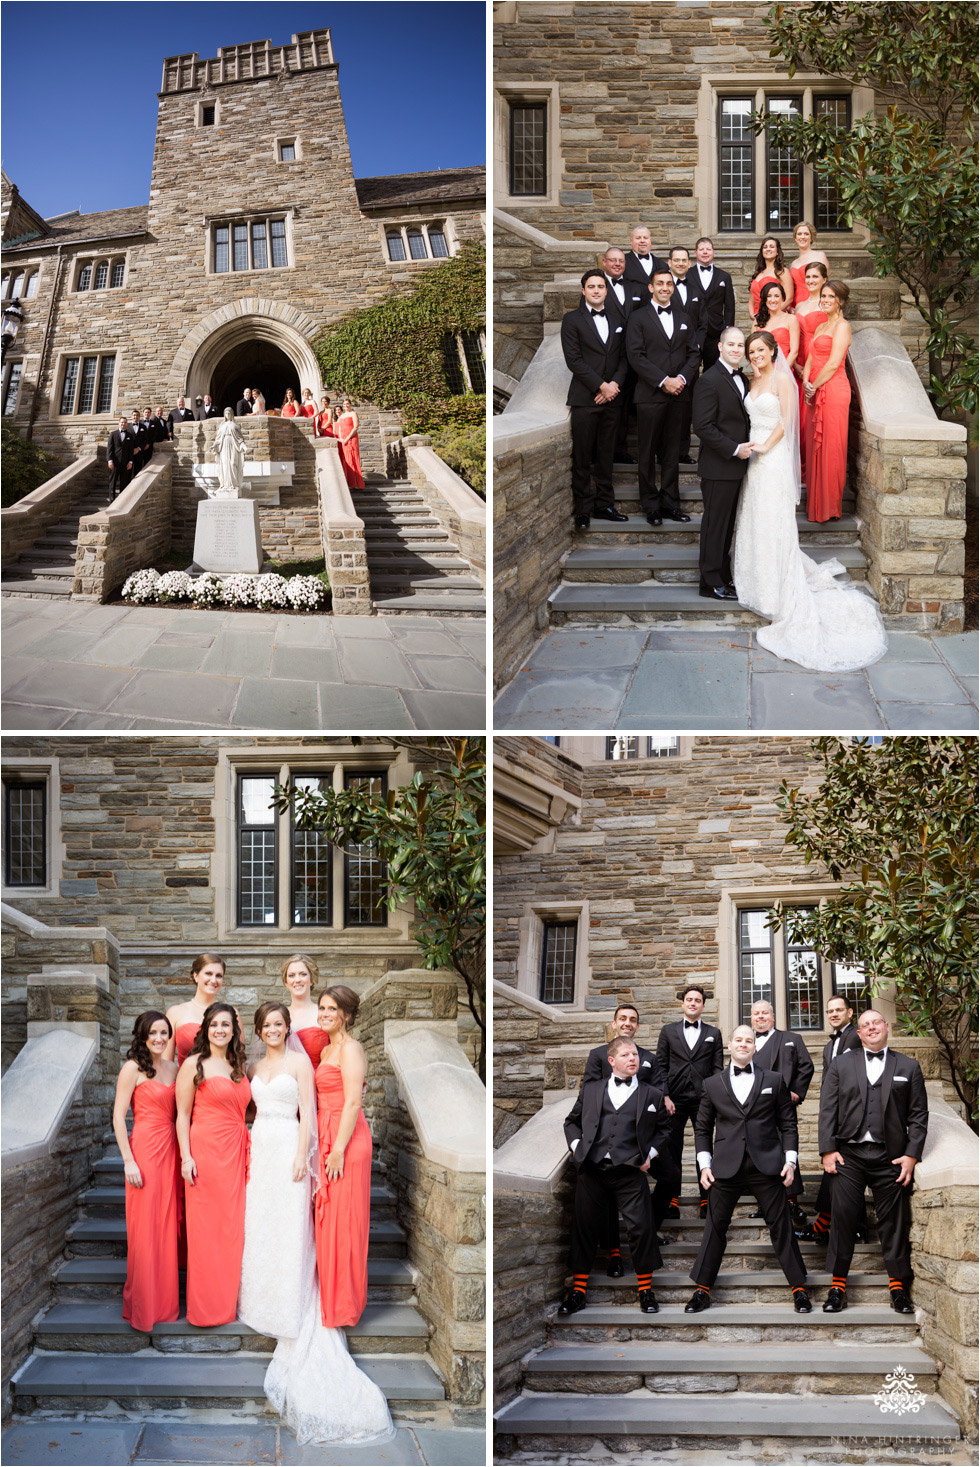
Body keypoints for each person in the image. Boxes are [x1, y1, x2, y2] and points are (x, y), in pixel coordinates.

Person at [238, 1002, 394, 1446]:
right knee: (268, 1226)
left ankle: (321, 1303)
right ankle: (270, 1293)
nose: (273, 1029)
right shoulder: (270, 1061)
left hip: (303, 1143)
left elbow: (326, 1107)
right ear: (259, 1030)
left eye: (280, 1024)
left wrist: (317, 1152)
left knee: (307, 1226)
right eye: (266, 1024)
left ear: (289, 1029)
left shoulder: (317, 1058)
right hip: (262, 1147)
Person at [732, 330, 887, 670]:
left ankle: (778, 588)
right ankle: (756, 579)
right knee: (756, 518)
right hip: (753, 460)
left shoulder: (783, 382)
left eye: (761, 350)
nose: (755, 355)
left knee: (774, 521)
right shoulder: (752, 381)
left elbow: (786, 423)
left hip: (770, 458)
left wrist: (763, 447)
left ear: (773, 351)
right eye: (751, 351)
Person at [687, 1025, 811, 1313]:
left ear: (756, 1047)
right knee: (715, 1228)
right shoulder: (712, 1083)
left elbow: (788, 1124)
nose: (744, 1044)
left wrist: (790, 1161)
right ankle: (701, 1290)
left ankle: (799, 1289)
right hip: (725, 1168)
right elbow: (703, 1128)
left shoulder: (774, 1079)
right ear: (730, 1045)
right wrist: (705, 1165)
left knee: (781, 1227)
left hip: (767, 1165)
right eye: (739, 1040)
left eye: (750, 1041)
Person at [819, 1010, 927, 1315]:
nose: (870, 1028)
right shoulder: (841, 1064)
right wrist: (827, 1150)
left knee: (893, 1221)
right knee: (842, 1217)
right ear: (859, 1033)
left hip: (889, 1156)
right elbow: (828, 1109)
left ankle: (898, 1288)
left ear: (886, 1027)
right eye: (865, 1025)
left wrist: (911, 1154)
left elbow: (918, 1116)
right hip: (849, 1155)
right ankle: (838, 1285)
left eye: (875, 1023)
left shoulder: (909, 1066)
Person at [559, 1038, 671, 1316]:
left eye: (634, 1054)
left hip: (630, 1171)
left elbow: (664, 1129)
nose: (633, 1058)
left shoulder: (652, 1095)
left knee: (642, 1228)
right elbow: (571, 1122)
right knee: (584, 1228)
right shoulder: (592, 1090)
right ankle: (578, 1292)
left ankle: (645, 1291)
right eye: (625, 1054)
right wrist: (577, 1148)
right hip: (593, 1169)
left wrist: (651, 1155)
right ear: (611, 1061)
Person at [583, 1003, 675, 1273]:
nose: (627, 1023)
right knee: (608, 1190)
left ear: (637, 1025)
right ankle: (613, 1251)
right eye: (622, 1018)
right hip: (606, 1141)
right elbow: (588, 1091)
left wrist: (666, 1097)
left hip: (641, 1140)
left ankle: (650, 1229)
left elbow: (658, 1084)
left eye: (632, 1019)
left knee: (670, 1176)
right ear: (614, 1023)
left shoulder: (647, 1056)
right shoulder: (598, 1055)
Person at [176, 1002, 251, 1327]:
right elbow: (181, 1115)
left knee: (232, 1228)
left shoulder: (238, 1066)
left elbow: (245, 1109)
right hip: (205, 1153)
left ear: (234, 1030)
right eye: (215, 1024)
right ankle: (205, 1308)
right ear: (206, 1028)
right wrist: (186, 1157)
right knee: (206, 1231)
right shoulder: (194, 1064)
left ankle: (228, 1302)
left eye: (226, 1024)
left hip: (236, 1152)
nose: (220, 1029)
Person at [112, 1011, 180, 1332]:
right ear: (142, 1035)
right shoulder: (132, 1068)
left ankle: (164, 1305)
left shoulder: (174, 1068)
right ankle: (143, 1305)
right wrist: (128, 1160)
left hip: (171, 1152)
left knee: (166, 1226)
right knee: (145, 1228)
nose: (159, 1038)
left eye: (164, 1033)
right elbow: (118, 1117)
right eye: (153, 1033)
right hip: (145, 1151)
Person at [315, 986, 373, 1327]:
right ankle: (329, 1297)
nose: (324, 1013)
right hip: (327, 1132)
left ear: (346, 1015)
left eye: (331, 1008)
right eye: (321, 1007)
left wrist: (337, 1149)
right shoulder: (325, 1052)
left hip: (346, 1141)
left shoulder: (350, 1049)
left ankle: (344, 1306)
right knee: (329, 1223)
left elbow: (353, 1102)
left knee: (344, 1224)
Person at [626, 269, 699, 526]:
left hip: (678, 394)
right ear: (651, 287)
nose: (665, 287)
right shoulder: (637, 318)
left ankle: (670, 504)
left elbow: (694, 354)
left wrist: (680, 380)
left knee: (671, 453)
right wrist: (662, 381)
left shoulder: (683, 317)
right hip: (649, 395)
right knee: (646, 454)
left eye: (669, 283)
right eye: (660, 283)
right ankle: (651, 506)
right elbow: (636, 356)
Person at [560, 271, 629, 530]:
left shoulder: (618, 318)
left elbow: (624, 357)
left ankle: (605, 505)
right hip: (584, 398)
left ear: (606, 291)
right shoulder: (571, 320)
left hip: (613, 398)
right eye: (592, 287)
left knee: (606, 455)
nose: (597, 290)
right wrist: (600, 385)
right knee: (582, 456)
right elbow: (573, 360)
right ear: (583, 291)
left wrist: (613, 386)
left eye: (601, 286)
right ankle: (583, 510)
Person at [691, 326, 752, 601]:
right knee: (715, 525)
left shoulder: (744, 379)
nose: (736, 350)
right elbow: (703, 426)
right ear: (720, 347)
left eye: (740, 346)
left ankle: (723, 576)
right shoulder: (709, 380)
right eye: (732, 345)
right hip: (718, 465)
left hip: (737, 466)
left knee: (726, 525)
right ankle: (709, 581)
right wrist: (734, 449)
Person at [656, 984, 724, 1217]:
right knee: (672, 1148)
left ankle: (706, 1200)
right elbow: (661, 1066)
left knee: (703, 1146)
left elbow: (717, 1069)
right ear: (683, 1003)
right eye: (689, 999)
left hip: (703, 1098)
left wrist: (715, 1098)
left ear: (703, 1005)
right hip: (673, 1099)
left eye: (697, 1000)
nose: (693, 1003)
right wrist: (664, 1095)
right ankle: (672, 1200)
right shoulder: (668, 1031)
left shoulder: (713, 1034)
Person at [748, 999, 814, 1229]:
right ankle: (764, 1204)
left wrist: (796, 1090)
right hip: (755, 1112)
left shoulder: (791, 1039)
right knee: (760, 1156)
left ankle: (792, 1202)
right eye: (756, 1014)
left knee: (787, 1152)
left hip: (782, 1107)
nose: (760, 1017)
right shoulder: (748, 1044)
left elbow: (806, 1066)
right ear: (751, 1018)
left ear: (773, 1017)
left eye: (765, 1013)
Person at [809, 994, 866, 1246]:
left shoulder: (856, 1036)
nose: (833, 1014)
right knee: (837, 1171)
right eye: (829, 1011)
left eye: (838, 1010)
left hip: (853, 1117)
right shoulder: (828, 1046)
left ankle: (846, 1227)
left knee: (847, 1173)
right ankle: (826, 1224)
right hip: (836, 1117)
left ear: (850, 1013)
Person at [803, 279, 852, 522]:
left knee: (831, 447)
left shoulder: (842, 326)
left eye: (831, 296)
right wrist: (805, 381)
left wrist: (815, 385)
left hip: (833, 390)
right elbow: (812, 357)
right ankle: (815, 505)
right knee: (815, 448)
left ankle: (830, 507)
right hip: (815, 388)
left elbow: (833, 363)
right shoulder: (821, 326)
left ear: (841, 301)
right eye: (824, 295)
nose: (825, 300)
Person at [667, 245, 703, 463]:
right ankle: (661, 451)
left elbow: (703, 323)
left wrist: (695, 347)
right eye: (676, 260)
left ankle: (682, 452)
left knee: (684, 409)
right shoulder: (660, 288)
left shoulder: (696, 290)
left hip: (688, 360)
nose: (680, 263)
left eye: (684, 260)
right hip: (664, 358)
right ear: (669, 263)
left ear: (689, 264)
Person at [600, 247, 636, 464]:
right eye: (612, 260)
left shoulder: (633, 287)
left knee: (625, 406)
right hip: (608, 356)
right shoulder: (596, 286)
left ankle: (621, 450)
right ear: (604, 262)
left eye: (621, 261)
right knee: (609, 407)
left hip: (632, 355)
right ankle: (604, 453)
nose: (617, 264)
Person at [793, 261, 829, 472]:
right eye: (808, 277)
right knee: (799, 419)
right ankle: (800, 465)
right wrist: (797, 365)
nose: (811, 281)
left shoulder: (827, 305)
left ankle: (814, 468)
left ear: (824, 279)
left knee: (814, 418)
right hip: (799, 365)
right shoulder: (799, 307)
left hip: (818, 363)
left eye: (815, 277)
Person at [164, 952, 226, 1066]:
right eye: (208, 973)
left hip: (222, 1082)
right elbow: (165, 1064)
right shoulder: (175, 1013)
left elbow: (239, 1064)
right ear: (196, 976)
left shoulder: (230, 1014)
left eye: (219, 975)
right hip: (187, 1081)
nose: (213, 980)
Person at [685, 237, 735, 369]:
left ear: (713, 252)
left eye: (708, 249)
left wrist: (727, 330)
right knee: (690, 369)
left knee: (713, 370)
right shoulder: (687, 275)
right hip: (692, 332)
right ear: (695, 253)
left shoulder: (724, 277)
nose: (705, 252)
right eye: (701, 249)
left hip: (716, 333)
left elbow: (729, 306)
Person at [281, 953, 329, 1067]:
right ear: (286, 982)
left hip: (317, 1080)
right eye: (291, 975)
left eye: (303, 974)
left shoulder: (324, 1013)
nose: (297, 980)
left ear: (312, 980)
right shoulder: (280, 1016)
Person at [621, 225, 668, 312]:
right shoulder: (622, 263)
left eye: (645, 238)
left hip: (658, 316)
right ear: (631, 241)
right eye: (638, 238)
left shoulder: (662, 265)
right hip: (631, 315)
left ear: (650, 240)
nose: (642, 241)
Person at [748, 236, 793, 324]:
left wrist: (772, 314)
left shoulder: (782, 272)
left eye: (771, 246)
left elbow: (789, 298)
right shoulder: (758, 274)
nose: (768, 249)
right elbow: (752, 299)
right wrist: (752, 314)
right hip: (758, 319)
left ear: (777, 252)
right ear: (762, 251)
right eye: (765, 247)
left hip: (775, 318)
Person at [789, 221, 830, 308]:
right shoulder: (794, 263)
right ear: (795, 238)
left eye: (806, 234)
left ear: (811, 237)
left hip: (814, 304)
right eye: (799, 234)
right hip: (795, 306)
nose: (802, 237)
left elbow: (825, 284)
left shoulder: (819, 256)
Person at [214, 407, 247, 495]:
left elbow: (240, 437)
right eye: (226, 413)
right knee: (224, 464)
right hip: (224, 445)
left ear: (231, 414)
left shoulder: (235, 425)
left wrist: (243, 444)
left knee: (233, 463)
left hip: (233, 445)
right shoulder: (222, 426)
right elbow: (218, 438)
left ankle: (234, 484)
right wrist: (214, 445)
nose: (227, 415)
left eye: (229, 413)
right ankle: (225, 485)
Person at [336, 398, 365, 489]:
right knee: (347, 460)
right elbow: (339, 428)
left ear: (350, 404)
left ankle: (356, 483)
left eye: (347, 404)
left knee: (352, 458)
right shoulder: (341, 416)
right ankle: (349, 483)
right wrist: (341, 439)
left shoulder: (353, 413)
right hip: (343, 440)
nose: (346, 405)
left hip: (351, 438)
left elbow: (356, 427)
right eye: (344, 404)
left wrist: (347, 438)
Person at [107, 416, 134, 500]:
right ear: (119, 423)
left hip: (125, 463)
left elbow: (130, 450)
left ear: (127, 424)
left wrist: (130, 462)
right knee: (113, 482)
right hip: (115, 462)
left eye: (125, 422)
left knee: (124, 482)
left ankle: (122, 500)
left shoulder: (130, 435)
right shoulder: (113, 434)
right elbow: (110, 448)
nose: (123, 424)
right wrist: (110, 460)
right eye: (122, 422)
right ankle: (112, 499)